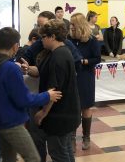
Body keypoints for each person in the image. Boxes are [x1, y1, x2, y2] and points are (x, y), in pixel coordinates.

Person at [0, 27, 62, 162]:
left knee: (9, 158)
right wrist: (47, 95)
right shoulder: (10, 68)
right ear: (15, 46)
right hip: (12, 123)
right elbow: (25, 99)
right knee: (33, 157)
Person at [32, 19, 81, 162]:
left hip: (59, 115)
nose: (42, 41)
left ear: (52, 36)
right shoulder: (61, 52)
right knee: (65, 152)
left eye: (44, 37)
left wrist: (42, 113)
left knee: (58, 154)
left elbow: (54, 91)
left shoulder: (58, 56)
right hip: (67, 112)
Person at [69, 13, 101, 150]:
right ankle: (71, 139)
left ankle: (86, 137)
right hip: (72, 77)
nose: (71, 27)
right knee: (72, 108)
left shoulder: (92, 41)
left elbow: (97, 58)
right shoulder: (69, 39)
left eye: (73, 25)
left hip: (86, 76)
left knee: (86, 107)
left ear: (80, 25)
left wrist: (83, 61)